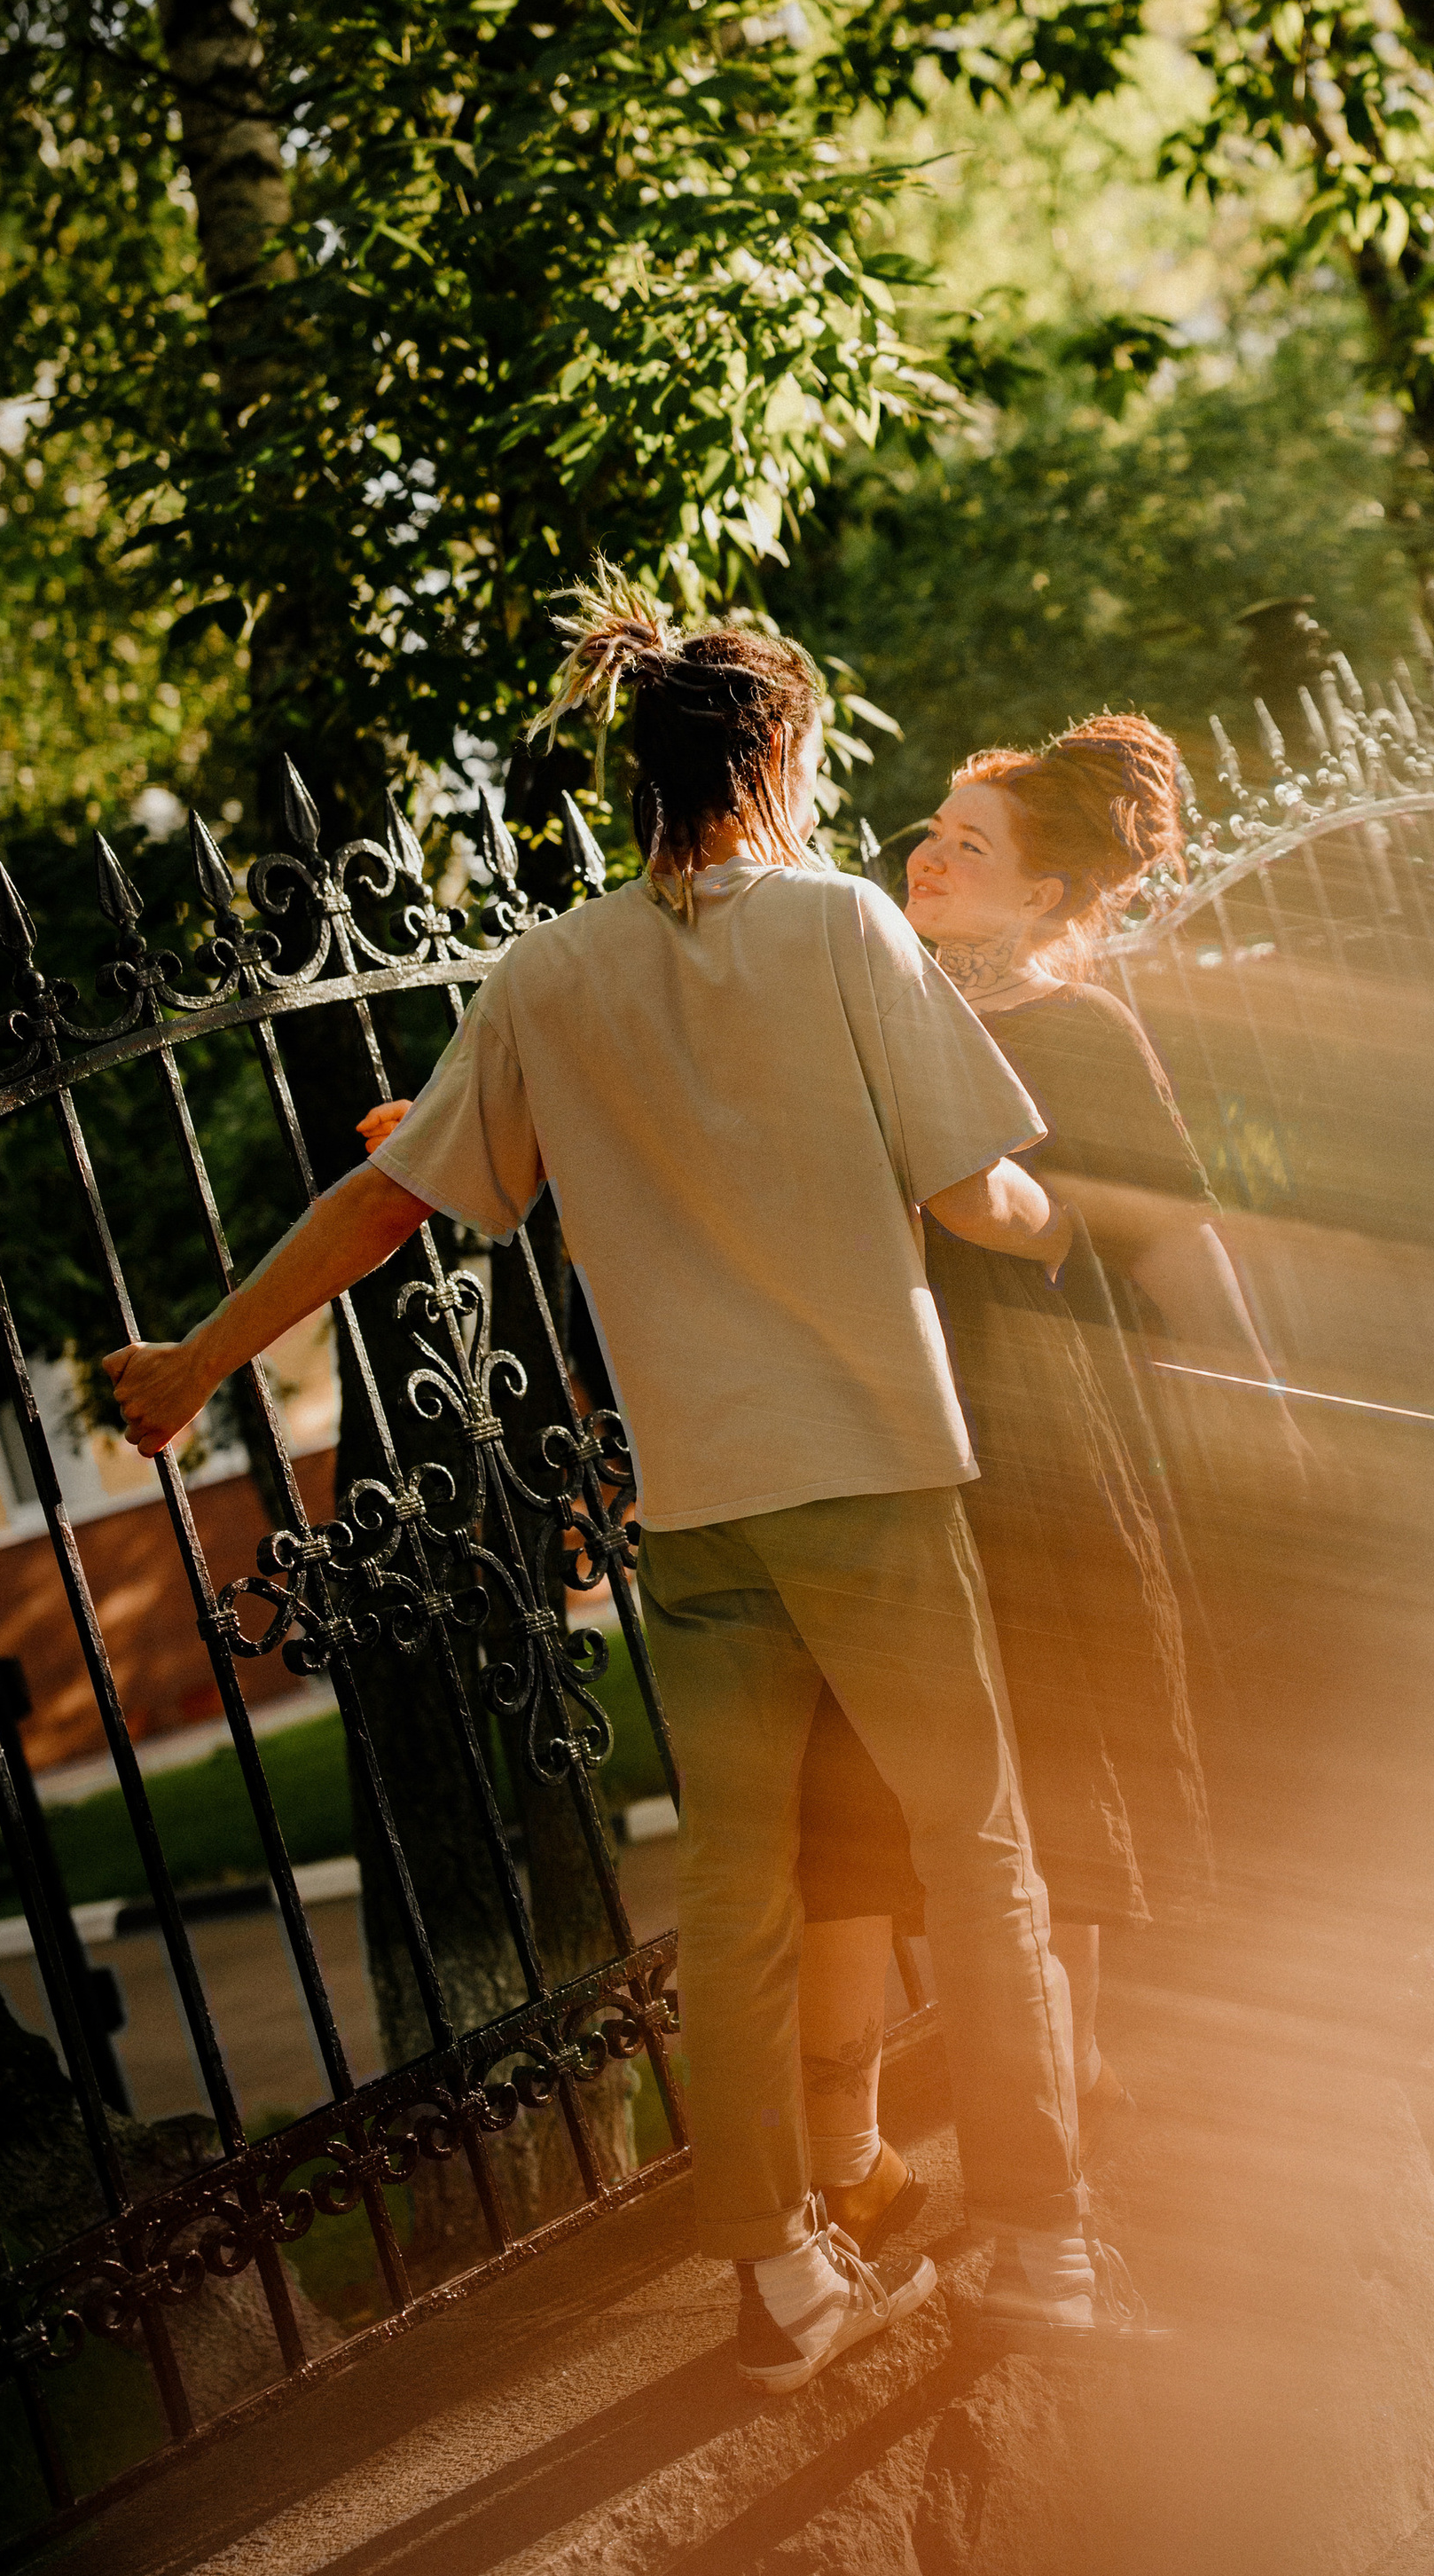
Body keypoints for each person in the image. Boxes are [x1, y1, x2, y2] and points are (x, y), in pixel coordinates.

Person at [104, 580, 1141, 2386]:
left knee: (734, 1897)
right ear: (778, 759)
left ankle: (778, 2280)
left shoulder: (546, 973)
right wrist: (1074, 1232)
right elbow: (976, 1191)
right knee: (978, 1852)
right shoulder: (841, 925)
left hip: (701, 1513)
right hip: (876, 1477)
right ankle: (1043, 2242)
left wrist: (198, 1356)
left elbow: (385, 1202)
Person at [795, 715, 1305, 2246]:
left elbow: (1170, 1242)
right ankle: (905, 2123)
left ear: (1043, 895)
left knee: (1060, 1755)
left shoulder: (1079, 1032)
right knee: (892, 1779)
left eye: (970, 844)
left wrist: (1262, 1395)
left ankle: (1066, 2079)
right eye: (931, 831)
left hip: (1044, 1446)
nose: (927, 857)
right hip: (884, 1437)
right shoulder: (865, 1007)